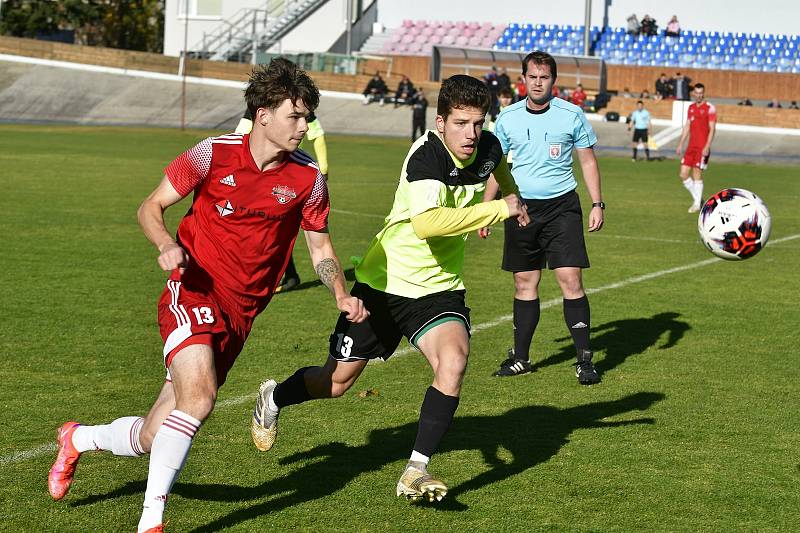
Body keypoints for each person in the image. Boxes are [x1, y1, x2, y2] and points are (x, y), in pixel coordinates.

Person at [46, 58, 368, 532]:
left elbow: (320, 245)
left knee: (156, 435)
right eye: (295, 116)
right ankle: (151, 522)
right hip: (192, 290)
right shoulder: (210, 155)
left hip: (241, 315)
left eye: (307, 117)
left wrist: (339, 292)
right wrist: (165, 244)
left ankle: (78, 439)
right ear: (263, 114)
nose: (304, 127)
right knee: (199, 399)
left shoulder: (308, 179)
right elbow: (150, 205)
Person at [249, 74, 529, 503]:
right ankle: (274, 396)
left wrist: (515, 200)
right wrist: (497, 210)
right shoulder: (426, 157)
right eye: (460, 123)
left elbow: (501, 170)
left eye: (477, 123)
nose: (470, 134)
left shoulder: (487, 146)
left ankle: (416, 471)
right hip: (384, 283)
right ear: (440, 122)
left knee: (453, 362)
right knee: (336, 382)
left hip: (438, 289)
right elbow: (427, 223)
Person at [480, 51, 605, 384]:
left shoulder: (572, 114)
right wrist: (485, 210)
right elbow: (497, 166)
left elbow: (588, 162)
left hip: (562, 207)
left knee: (570, 280)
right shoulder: (506, 118)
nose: (538, 83)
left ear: (553, 80)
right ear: (523, 79)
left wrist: (597, 203)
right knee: (525, 283)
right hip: (520, 209)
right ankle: (521, 358)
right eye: (532, 77)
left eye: (544, 77)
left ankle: (584, 360)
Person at [235, 107, 330, 292]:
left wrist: (323, 169)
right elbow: (240, 135)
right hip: (264, 173)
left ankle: (275, 276)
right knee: (271, 226)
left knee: (270, 226)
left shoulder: (299, 105)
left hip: (287, 175)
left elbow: (317, 134)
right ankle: (287, 275)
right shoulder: (261, 106)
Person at [675, 83, 717, 213]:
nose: (699, 95)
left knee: (697, 174)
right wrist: (681, 143)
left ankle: (697, 204)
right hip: (691, 147)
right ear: (693, 93)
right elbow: (687, 126)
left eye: (701, 93)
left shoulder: (710, 108)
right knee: (683, 174)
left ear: (704, 93)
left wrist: (707, 146)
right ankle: (698, 200)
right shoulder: (691, 107)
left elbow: (712, 129)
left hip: (702, 147)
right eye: (696, 93)